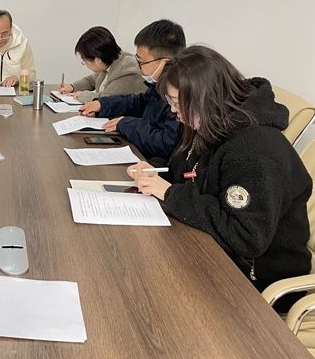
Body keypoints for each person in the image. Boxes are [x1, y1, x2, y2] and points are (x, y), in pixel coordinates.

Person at [128, 45, 312, 310]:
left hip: (254, 280)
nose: (174, 112)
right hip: (210, 247)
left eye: (177, 103)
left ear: (205, 98)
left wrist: (169, 193)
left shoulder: (255, 151)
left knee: (148, 296)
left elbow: (245, 236)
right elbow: (186, 170)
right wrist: (153, 169)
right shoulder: (207, 122)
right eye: (170, 102)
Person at [78, 20, 185, 160]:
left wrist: (126, 124)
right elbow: (139, 103)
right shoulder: (158, 85)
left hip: (153, 164)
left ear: (165, 62)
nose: (138, 67)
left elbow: (166, 143)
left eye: (141, 62)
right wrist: (102, 105)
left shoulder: (179, 94)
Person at [58, 26, 145, 102]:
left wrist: (82, 95)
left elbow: (107, 99)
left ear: (97, 59)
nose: (85, 64)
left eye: (85, 61)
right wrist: (72, 87)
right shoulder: (109, 61)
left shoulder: (126, 70)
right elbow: (91, 80)